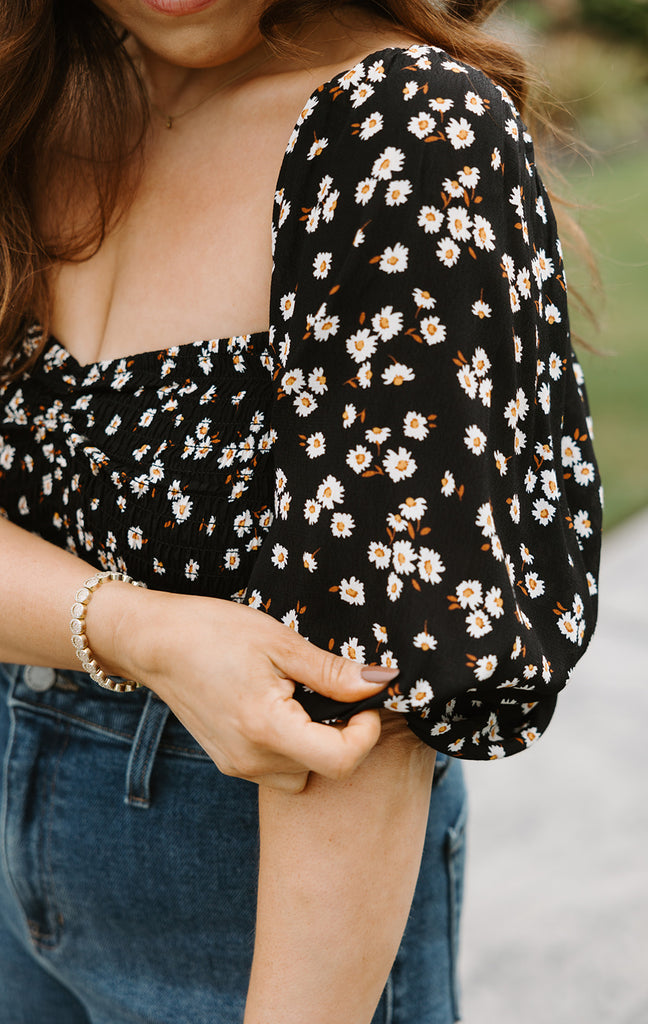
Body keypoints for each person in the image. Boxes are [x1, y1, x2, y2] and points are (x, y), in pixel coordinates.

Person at [0, 0, 602, 1021]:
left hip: (247, 883)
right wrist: (141, 628)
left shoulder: (405, 131)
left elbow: (368, 702)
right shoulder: (39, 90)